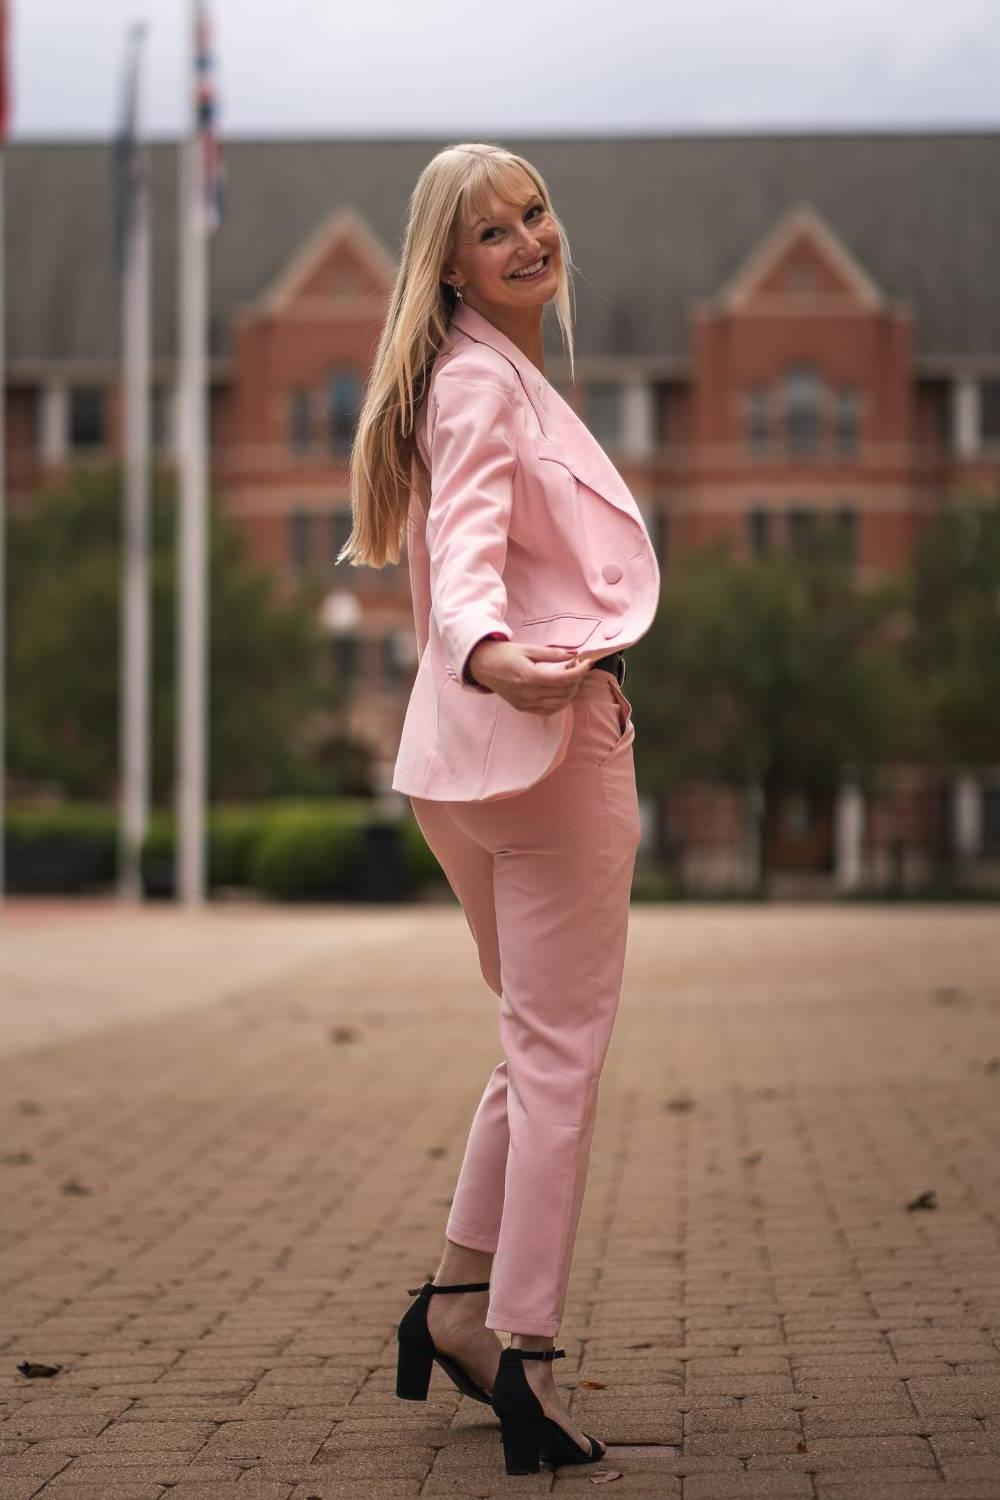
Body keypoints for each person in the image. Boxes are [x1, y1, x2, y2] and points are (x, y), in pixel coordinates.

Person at [342, 141, 660, 1476]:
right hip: (537, 740)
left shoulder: (477, 374)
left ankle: (457, 1308)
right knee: (561, 1055)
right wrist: (488, 652)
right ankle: (523, 1350)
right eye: (493, 231)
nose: (530, 238)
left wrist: (477, 660)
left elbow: (461, 543)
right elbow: (463, 554)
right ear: (452, 266)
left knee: (531, 1043)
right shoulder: (482, 388)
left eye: (535, 212)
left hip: (462, 770)